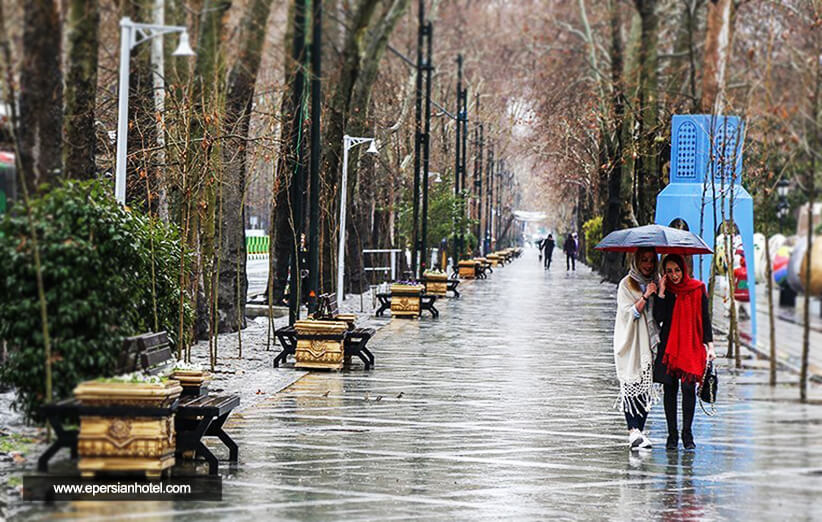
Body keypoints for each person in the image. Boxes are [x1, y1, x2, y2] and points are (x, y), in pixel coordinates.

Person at [653, 254, 716, 450]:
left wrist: (710, 346)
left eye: (677, 270)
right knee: (669, 390)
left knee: (689, 389)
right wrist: (661, 293)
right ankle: (672, 435)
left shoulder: (697, 289)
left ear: (684, 268)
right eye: (669, 271)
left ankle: (687, 433)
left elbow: (705, 319)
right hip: (669, 345)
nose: (674, 275)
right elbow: (658, 317)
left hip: (691, 344)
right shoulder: (667, 290)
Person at [613, 247, 661, 450]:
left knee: (646, 385)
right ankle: (632, 430)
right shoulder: (626, 284)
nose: (648, 265)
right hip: (631, 340)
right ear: (636, 261)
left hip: (649, 341)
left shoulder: (658, 282)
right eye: (644, 260)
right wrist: (645, 296)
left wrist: (661, 291)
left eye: (651, 261)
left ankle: (639, 431)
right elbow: (629, 314)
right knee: (632, 384)